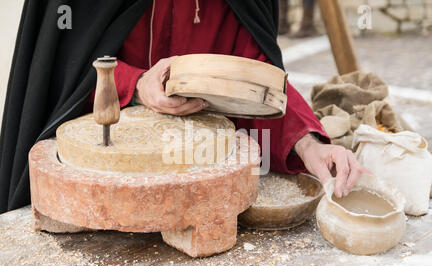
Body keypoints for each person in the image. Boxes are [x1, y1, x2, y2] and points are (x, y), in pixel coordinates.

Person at [0, 0, 368, 214]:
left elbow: (251, 74)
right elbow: (60, 67)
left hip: (195, 180)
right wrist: (137, 84)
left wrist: (309, 143)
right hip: (101, 181)